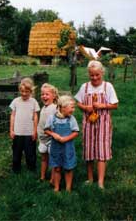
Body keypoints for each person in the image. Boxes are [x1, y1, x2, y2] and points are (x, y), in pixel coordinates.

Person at [74, 60, 119, 189]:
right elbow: (78, 103)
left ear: (102, 73)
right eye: (92, 75)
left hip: (103, 123)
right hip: (88, 122)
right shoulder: (85, 87)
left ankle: (100, 182)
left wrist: (102, 105)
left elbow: (115, 105)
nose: (94, 78)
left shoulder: (107, 87)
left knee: (101, 150)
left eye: (97, 75)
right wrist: (85, 107)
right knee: (89, 149)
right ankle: (90, 178)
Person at [45, 95, 79, 192]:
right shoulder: (52, 118)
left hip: (67, 147)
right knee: (57, 168)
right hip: (56, 148)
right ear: (63, 107)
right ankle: (56, 188)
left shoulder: (71, 119)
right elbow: (46, 130)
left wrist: (66, 139)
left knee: (68, 168)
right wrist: (53, 134)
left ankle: (68, 188)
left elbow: (76, 132)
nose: (73, 109)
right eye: (71, 107)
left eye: (74, 107)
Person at [9, 78, 40, 173]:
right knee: (16, 152)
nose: (24, 94)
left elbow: (35, 116)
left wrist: (35, 131)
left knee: (30, 152)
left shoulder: (33, 102)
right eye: (22, 91)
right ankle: (16, 169)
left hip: (29, 133)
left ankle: (31, 169)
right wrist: (11, 130)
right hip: (18, 132)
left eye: (27, 91)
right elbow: (13, 116)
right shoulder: (16, 101)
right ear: (19, 90)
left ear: (31, 91)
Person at [37, 83, 59, 182]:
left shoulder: (55, 108)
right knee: (44, 158)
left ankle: (52, 179)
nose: (44, 96)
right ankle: (42, 177)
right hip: (42, 139)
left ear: (53, 96)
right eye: (42, 94)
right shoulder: (43, 107)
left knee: (53, 159)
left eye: (47, 94)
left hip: (51, 139)